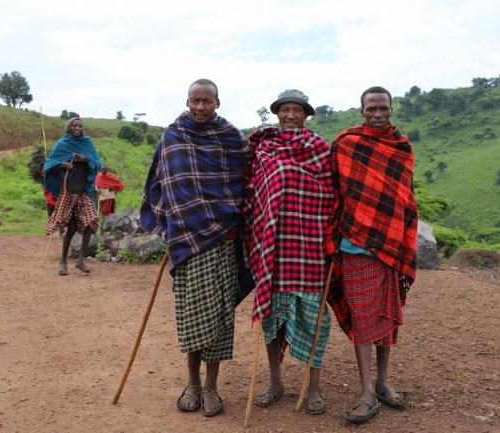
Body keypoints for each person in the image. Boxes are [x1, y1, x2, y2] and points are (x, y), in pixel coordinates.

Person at [140, 79, 249, 417]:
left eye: (207, 101)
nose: (200, 107)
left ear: (218, 102)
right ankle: (193, 383)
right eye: (194, 100)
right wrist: (168, 223)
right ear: (187, 102)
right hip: (187, 242)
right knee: (191, 317)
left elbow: (248, 177)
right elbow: (160, 183)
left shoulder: (230, 137)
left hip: (223, 240)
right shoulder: (173, 136)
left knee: (219, 316)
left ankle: (213, 386)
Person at [325, 86, 418, 424]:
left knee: (387, 315)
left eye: (383, 108)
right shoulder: (347, 144)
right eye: (371, 109)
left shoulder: (402, 147)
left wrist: (405, 238)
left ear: (391, 109)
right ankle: (366, 390)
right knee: (364, 318)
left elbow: (405, 198)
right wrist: (330, 237)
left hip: (391, 247)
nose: (377, 114)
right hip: (354, 246)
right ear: (361, 110)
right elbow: (332, 190)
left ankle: (382, 382)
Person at [244, 89, 334, 415]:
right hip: (272, 247)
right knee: (271, 317)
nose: (291, 115)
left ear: (306, 114)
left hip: (309, 248)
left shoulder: (319, 148)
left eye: (297, 110)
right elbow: (253, 192)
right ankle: (275, 382)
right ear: (278, 113)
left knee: (313, 318)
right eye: (286, 110)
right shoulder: (264, 147)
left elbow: (330, 194)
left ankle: (313, 387)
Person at [44, 117, 102, 276]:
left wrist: (85, 159)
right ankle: (63, 262)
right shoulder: (62, 144)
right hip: (68, 192)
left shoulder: (87, 143)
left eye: (79, 125)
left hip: (84, 192)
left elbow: (98, 163)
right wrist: (63, 164)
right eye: (74, 125)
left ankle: (81, 260)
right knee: (71, 227)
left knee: (91, 222)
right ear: (69, 127)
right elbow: (48, 164)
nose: (77, 128)